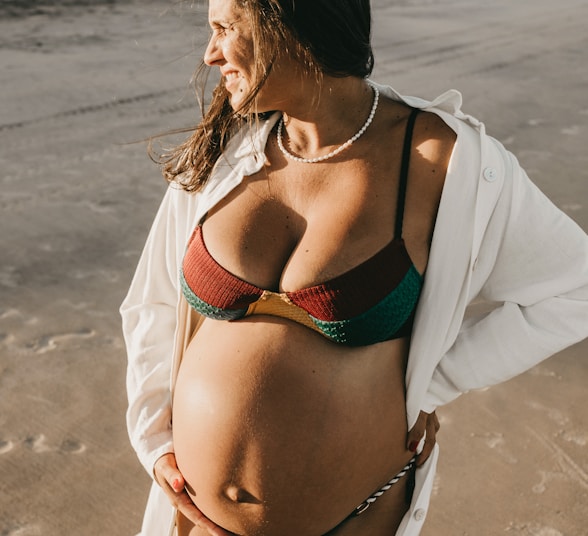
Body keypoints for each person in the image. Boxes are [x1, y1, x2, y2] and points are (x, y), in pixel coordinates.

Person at [120, 1, 588, 535]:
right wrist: (153, 441)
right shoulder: (226, 152)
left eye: (226, 29)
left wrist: (430, 383)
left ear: (291, 22)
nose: (209, 54)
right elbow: (152, 303)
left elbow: (575, 288)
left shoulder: (445, 161)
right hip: (200, 524)